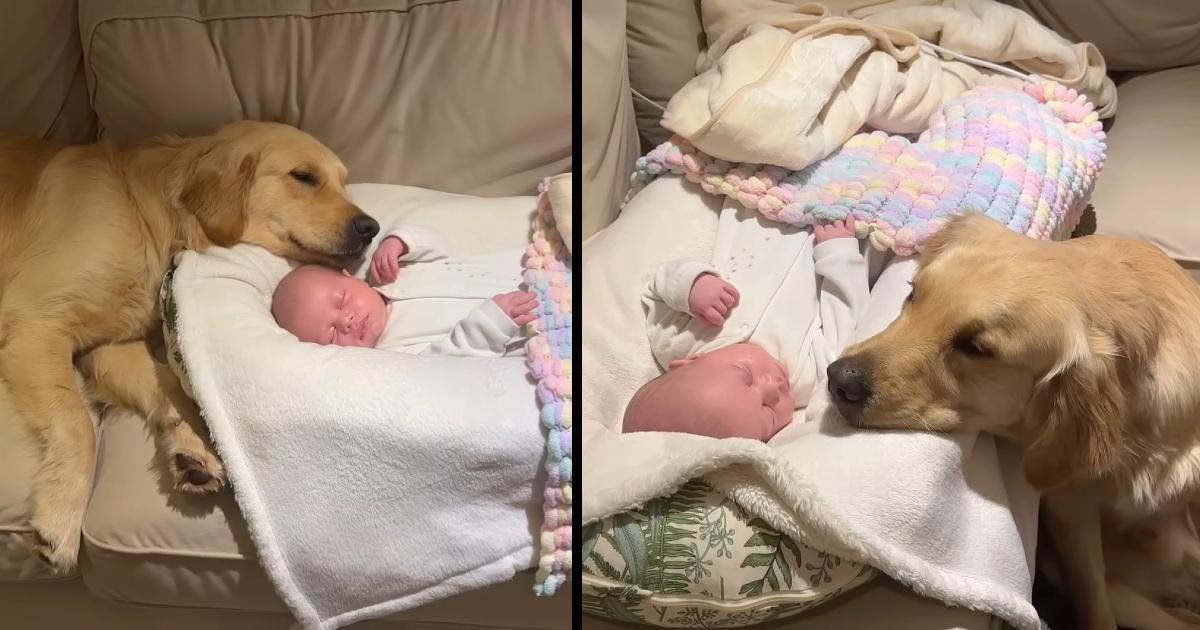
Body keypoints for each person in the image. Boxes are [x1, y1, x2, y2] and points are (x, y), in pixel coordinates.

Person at [622, 205, 868, 442]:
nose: (774, 389)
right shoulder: (806, 379)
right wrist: (838, 252)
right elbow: (848, 317)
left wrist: (693, 285)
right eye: (769, 413)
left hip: (763, 216)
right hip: (828, 234)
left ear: (687, 363)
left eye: (745, 375)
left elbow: (657, 290)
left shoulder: (677, 339)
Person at [272, 223, 535, 356]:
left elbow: (440, 246)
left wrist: (398, 243)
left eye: (341, 301)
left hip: (532, 267)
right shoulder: (395, 352)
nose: (346, 321)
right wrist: (492, 323)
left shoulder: (394, 273)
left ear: (350, 277)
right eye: (332, 335)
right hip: (532, 324)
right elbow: (450, 364)